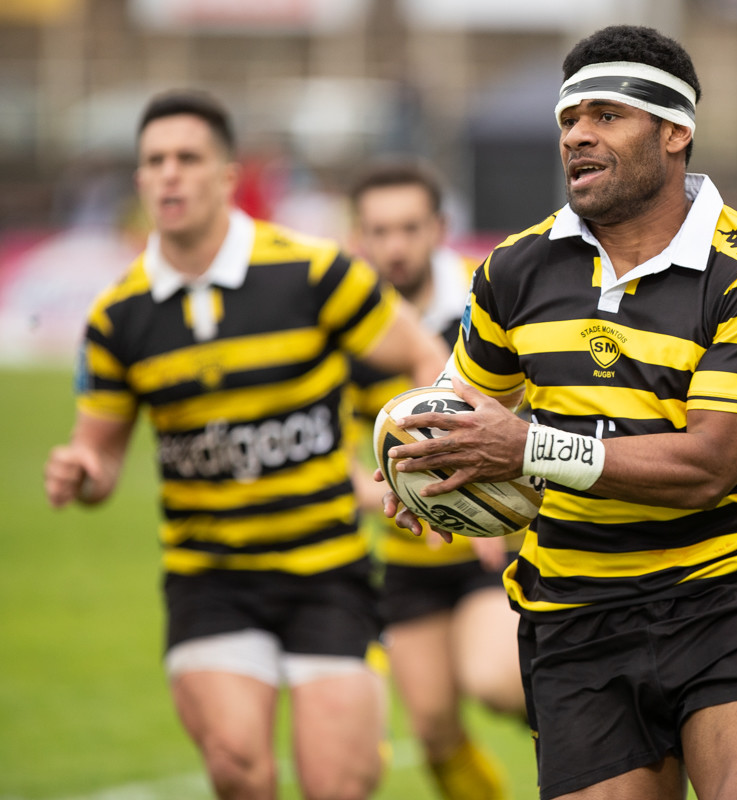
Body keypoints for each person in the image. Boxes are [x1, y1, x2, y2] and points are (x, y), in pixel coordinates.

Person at [380, 25, 737, 800]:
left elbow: (707, 466)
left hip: (730, 600)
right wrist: (422, 464)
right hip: (575, 616)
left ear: (675, 131)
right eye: (568, 120)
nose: (577, 136)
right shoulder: (514, 270)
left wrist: (526, 448)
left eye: (606, 115)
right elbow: (462, 409)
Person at [43, 89, 449, 800]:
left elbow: (422, 355)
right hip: (211, 577)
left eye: (187, 158)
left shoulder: (314, 272)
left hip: (326, 570)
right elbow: (99, 454)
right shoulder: (116, 316)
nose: (170, 174)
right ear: (139, 179)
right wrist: (82, 470)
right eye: (154, 161)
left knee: (338, 785)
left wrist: (426, 460)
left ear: (228, 175)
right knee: (238, 767)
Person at [346, 161, 526, 800]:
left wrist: (496, 501)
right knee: (433, 731)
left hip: (494, 546)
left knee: (498, 680)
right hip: (407, 557)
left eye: (409, 228)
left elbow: (533, 417)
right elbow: (336, 460)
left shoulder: (490, 302)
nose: (394, 246)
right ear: (360, 237)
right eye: (379, 231)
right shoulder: (349, 328)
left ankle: (601, 737)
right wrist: (403, 491)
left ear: (439, 228)